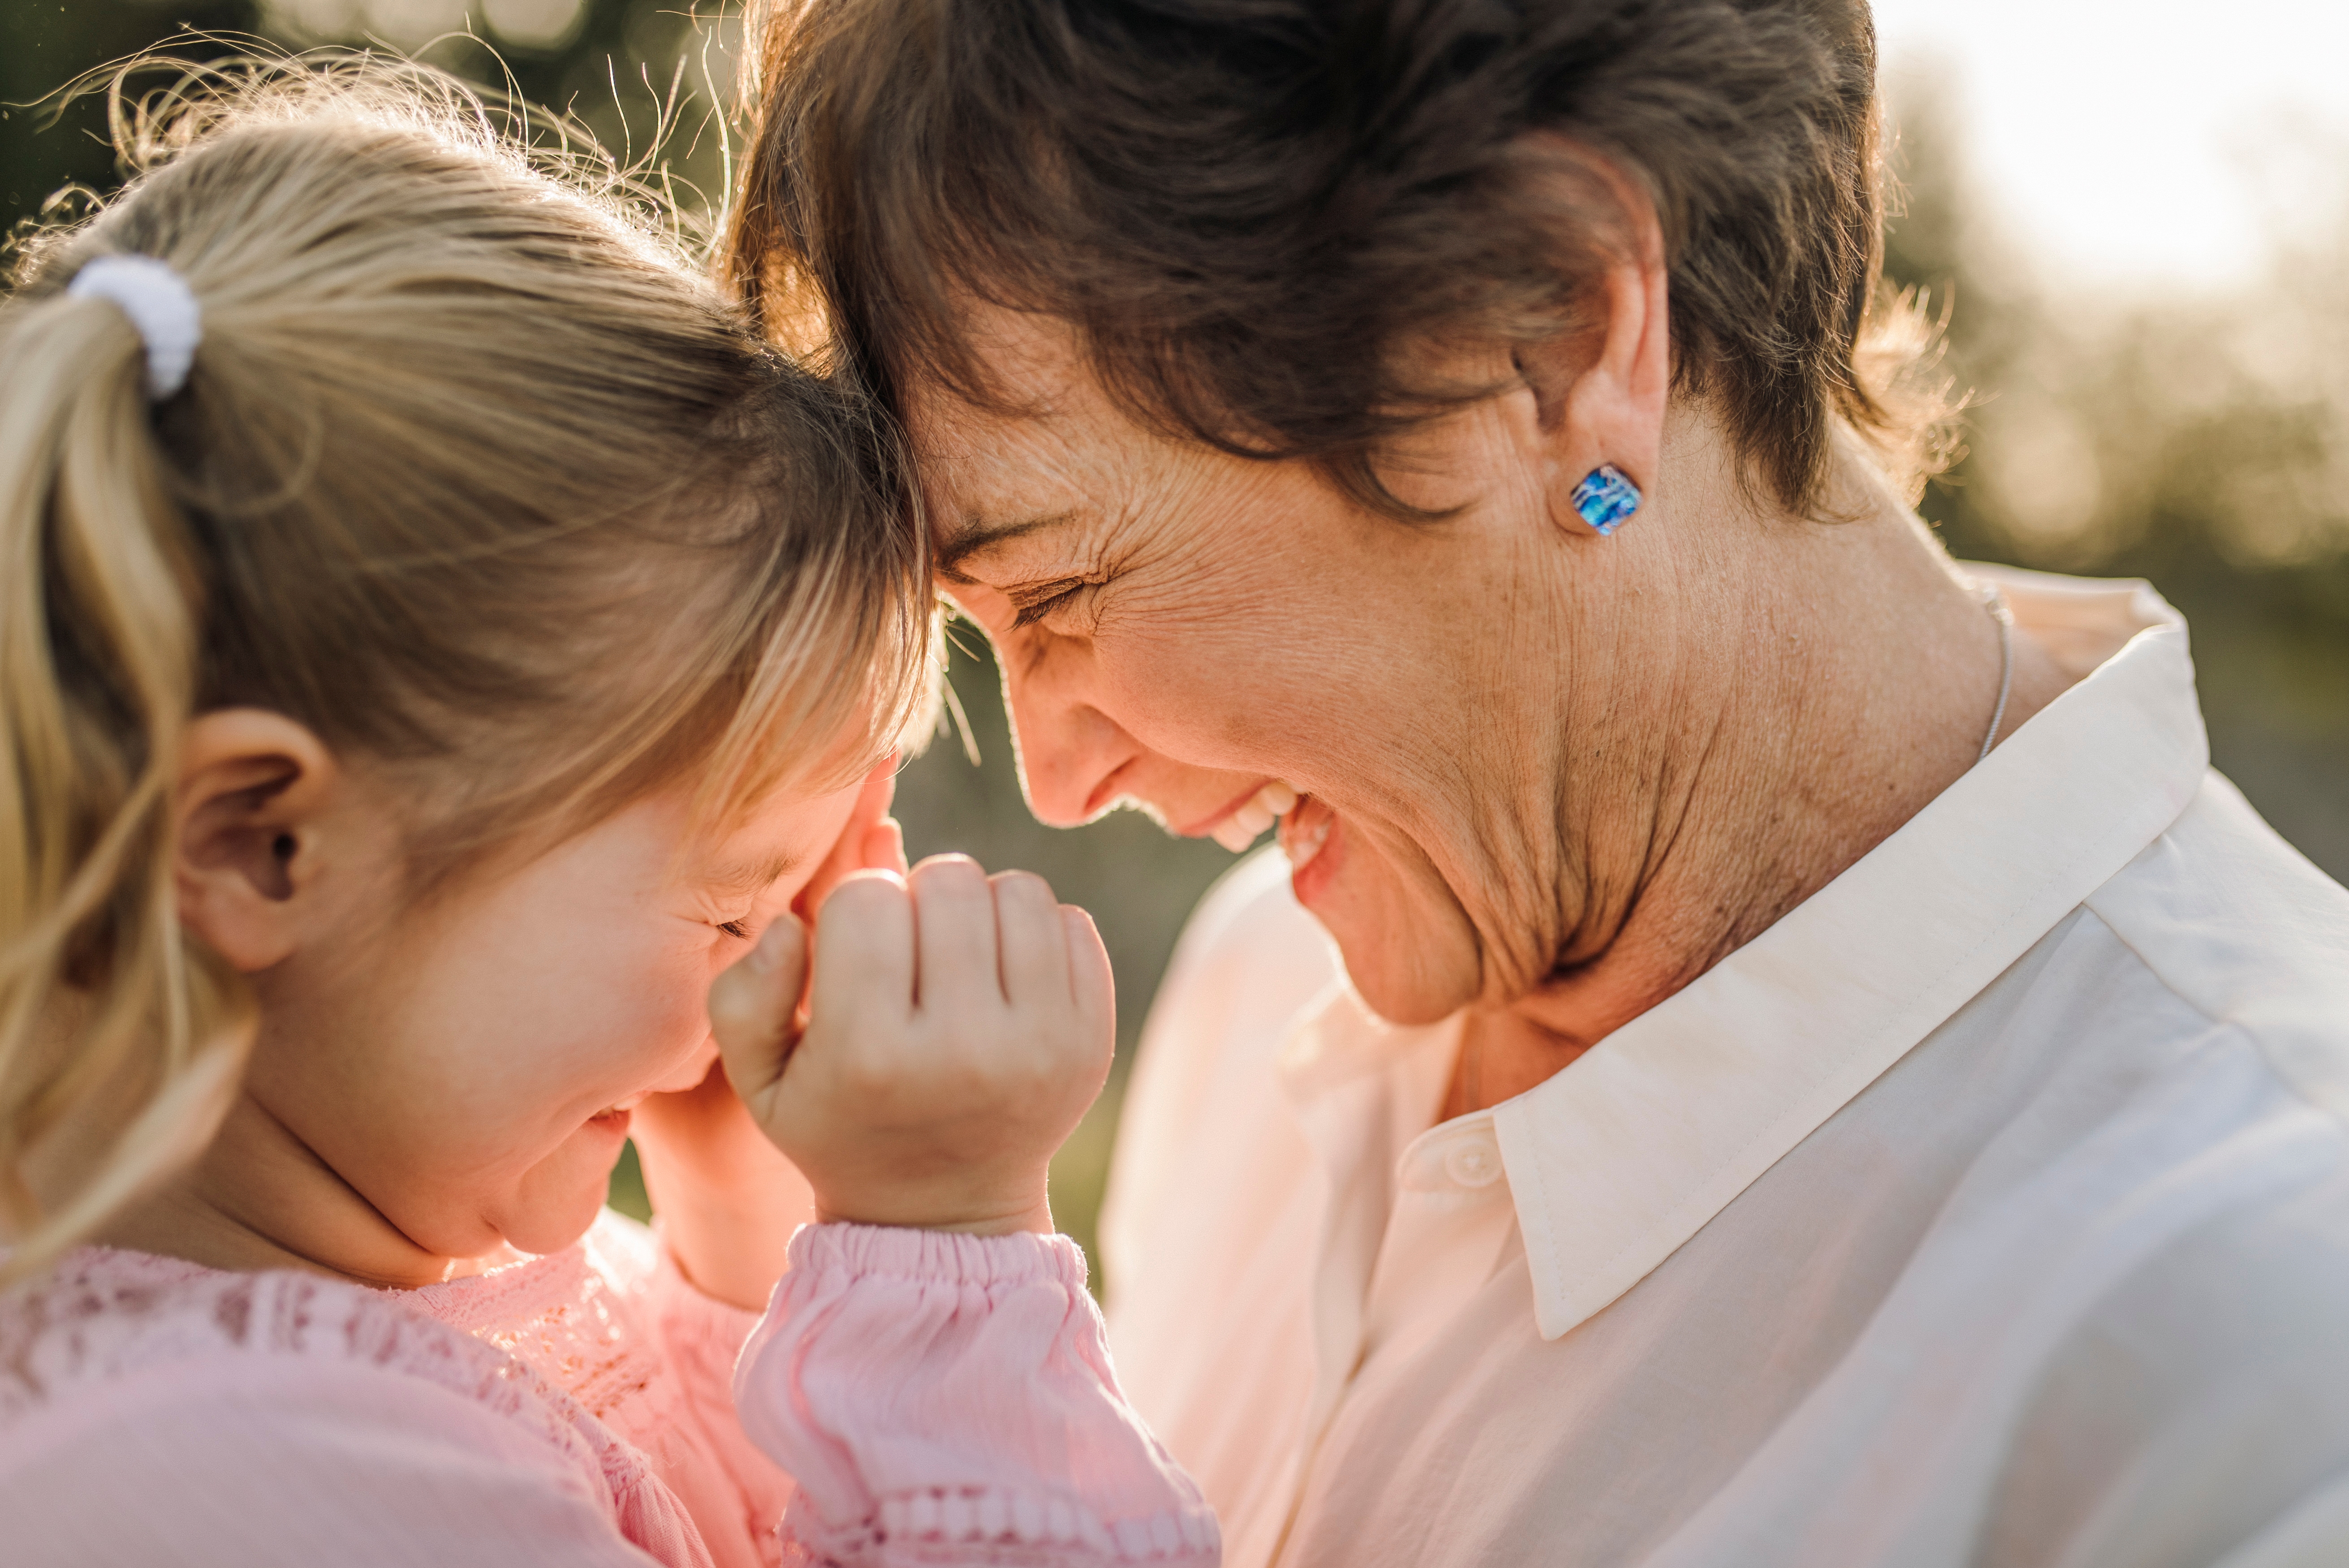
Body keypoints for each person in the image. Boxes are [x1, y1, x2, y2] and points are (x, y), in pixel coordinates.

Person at [731, 1, 2349, 1563]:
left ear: (1555, 334)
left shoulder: (2256, 1351)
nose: (1060, 779)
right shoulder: (1262, 982)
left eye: (1063, 594)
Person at [0, 62, 1217, 1568]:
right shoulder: (236, 1487)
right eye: (727, 907)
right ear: (263, 846)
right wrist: (947, 1258)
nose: (769, 970)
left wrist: (741, 1222)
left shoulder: (394, 1319)